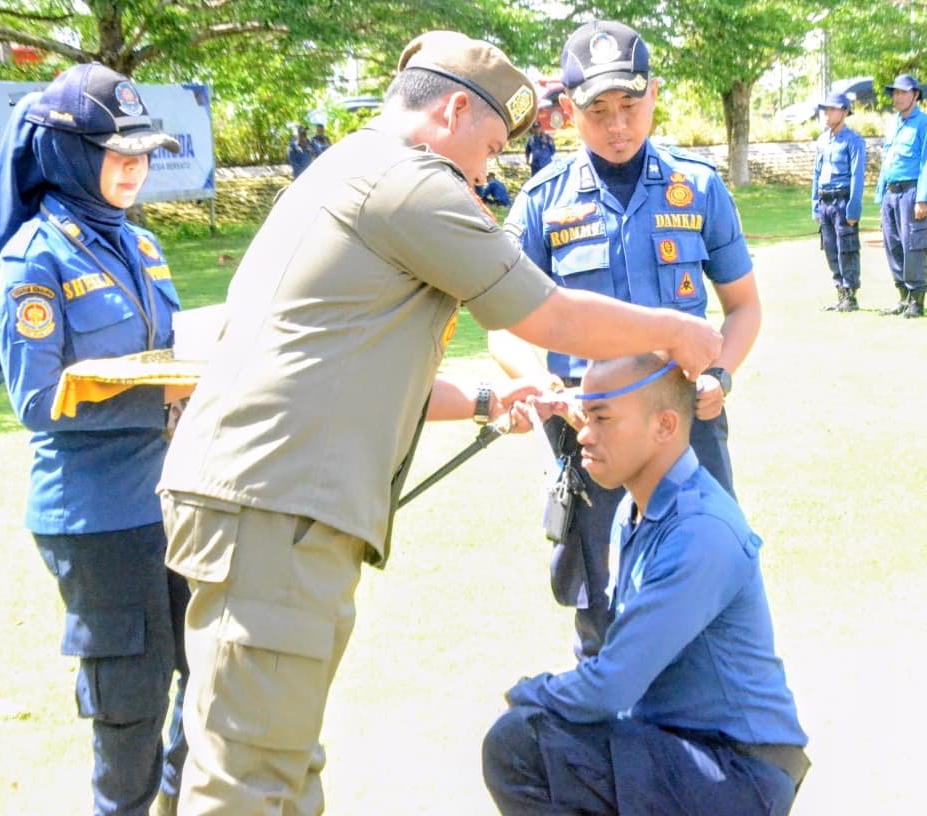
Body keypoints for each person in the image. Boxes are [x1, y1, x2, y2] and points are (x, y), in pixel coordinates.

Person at [157, 30, 722, 815]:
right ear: (454, 109)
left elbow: (357, 365)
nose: (486, 173)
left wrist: (489, 402)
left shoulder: (351, 169)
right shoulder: (407, 181)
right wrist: (673, 330)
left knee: (274, 765)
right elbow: (549, 314)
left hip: (271, 504)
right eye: (488, 146)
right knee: (250, 784)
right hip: (276, 508)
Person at [488, 19, 761, 659]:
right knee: (603, 612)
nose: (617, 126)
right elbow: (502, 321)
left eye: (630, 106)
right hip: (591, 434)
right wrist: (550, 386)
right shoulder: (541, 203)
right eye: (599, 111)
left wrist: (721, 375)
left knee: (709, 594)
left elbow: (744, 306)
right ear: (569, 112)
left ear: (654, 95)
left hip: (686, 427)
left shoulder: (698, 187)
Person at [482, 353, 809, 816]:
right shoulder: (633, 511)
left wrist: (525, 692)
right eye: (584, 414)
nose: (584, 434)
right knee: (541, 736)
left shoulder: (699, 530)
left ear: (665, 426)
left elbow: (610, 688)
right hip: (684, 749)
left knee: (519, 743)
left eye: (603, 417)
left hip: (738, 769)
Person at [0, 64, 190, 816]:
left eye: (145, 152)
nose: (136, 166)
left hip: (172, 498)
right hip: (98, 519)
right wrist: (162, 395)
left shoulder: (139, 246)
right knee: (130, 707)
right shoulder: (32, 260)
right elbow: (39, 400)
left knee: (206, 676)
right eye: (120, 151)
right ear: (72, 154)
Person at [877, 73, 927, 318]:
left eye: (903, 92)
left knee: (913, 244)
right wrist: (881, 194)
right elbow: (887, 160)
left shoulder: (926, 125)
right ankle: (902, 296)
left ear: (915, 95)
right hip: (891, 192)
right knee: (892, 244)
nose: (898, 97)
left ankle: (917, 299)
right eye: (895, 92)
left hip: (912, 191)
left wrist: (923, 198)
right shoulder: (893, 123)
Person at [811, 91, 866, 312]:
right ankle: (840, 292)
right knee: (831, 249)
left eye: (832, 109)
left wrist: (853, 209)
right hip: (825, 201)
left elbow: (857, 176)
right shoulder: (822, 140)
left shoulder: (853, 141)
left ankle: (850, 294)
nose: (827, 113)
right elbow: (816, 174)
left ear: (844, 112)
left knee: (847, 248)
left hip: (843, 200)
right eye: (826, 109)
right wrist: (815, 204)